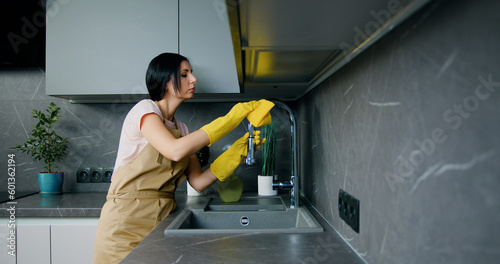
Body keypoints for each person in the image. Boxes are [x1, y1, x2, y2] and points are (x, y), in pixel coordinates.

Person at [93, 52, 274, 264]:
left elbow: (198, 182)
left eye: (191, 73)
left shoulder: (183, 129)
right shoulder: (145, 110)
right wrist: (230, 119)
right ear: (166, 81)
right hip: (124, 224)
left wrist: (237, 151)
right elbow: (174, 151)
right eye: (184, 74)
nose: (193, 79)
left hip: (161, 222)